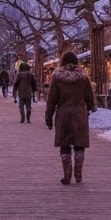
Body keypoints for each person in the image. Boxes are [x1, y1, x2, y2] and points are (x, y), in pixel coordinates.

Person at [45, 51, 96, 185]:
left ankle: (67, 173)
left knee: (65, 145)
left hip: (63, 114)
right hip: (79, 113)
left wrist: (48, 117)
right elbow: (89, 96)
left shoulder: (57, 76)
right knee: (79, 145)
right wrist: (91, 107)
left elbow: (51, 99)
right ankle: (78, 172)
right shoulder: (83, 76)